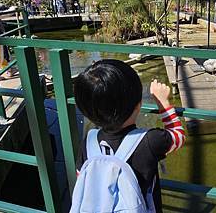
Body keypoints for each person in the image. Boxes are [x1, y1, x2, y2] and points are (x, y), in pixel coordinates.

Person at [72, 60, 185, 212]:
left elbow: (82, 178)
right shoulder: (150, 141)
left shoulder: (89, 141)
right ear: (138, 105)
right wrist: (163, 102)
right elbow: (178, 137)